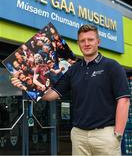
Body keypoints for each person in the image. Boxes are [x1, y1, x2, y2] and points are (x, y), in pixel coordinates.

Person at [11, 24, 130, 155]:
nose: (86, 43)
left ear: (98, 42)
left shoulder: (112, 66)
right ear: (78, 43)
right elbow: (51, 95)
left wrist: (117, 134)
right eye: (82, 40)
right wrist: (25, 86)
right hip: (79, 136)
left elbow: (123, 101)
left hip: (105, 136)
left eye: (90, 39)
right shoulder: (73, 69)